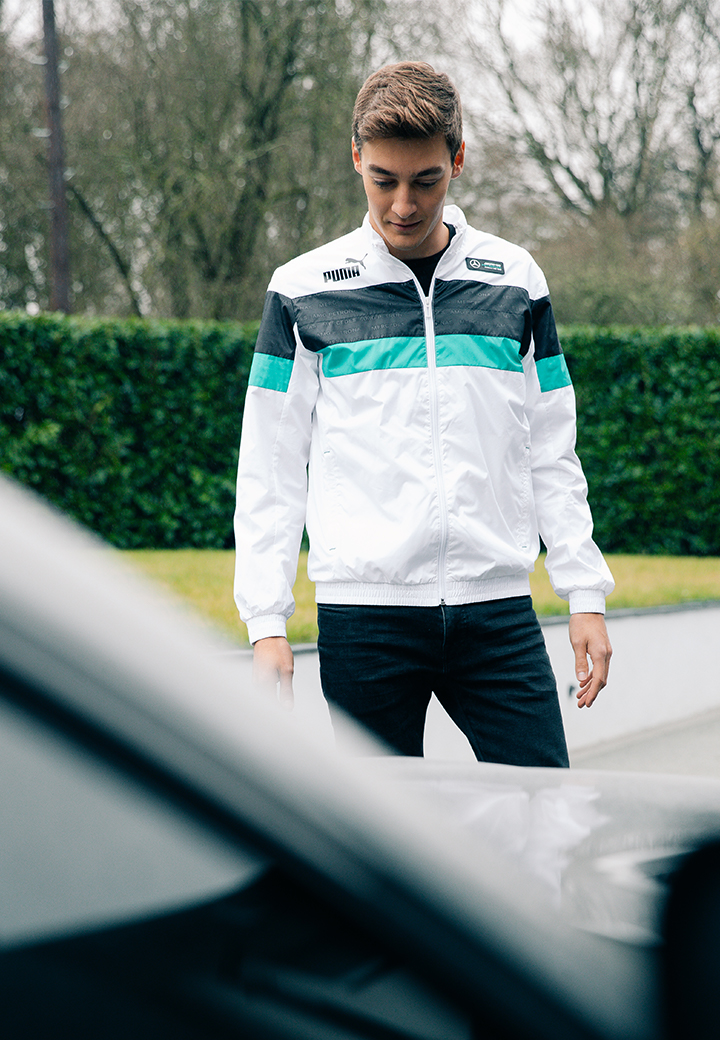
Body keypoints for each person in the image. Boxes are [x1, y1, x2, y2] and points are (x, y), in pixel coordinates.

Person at [233, 61, 614, 766]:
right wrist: (266, 622)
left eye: (425, 180)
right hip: (364, 620)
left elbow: (551, 449)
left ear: (457, 160)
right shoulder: (300, 291)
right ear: (356, 157)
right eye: (384, 180)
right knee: (379, 830)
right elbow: (270, 465)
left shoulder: (517, 282)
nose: (403, 204)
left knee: (544, 808)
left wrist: (584, 591)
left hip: (496, 613)